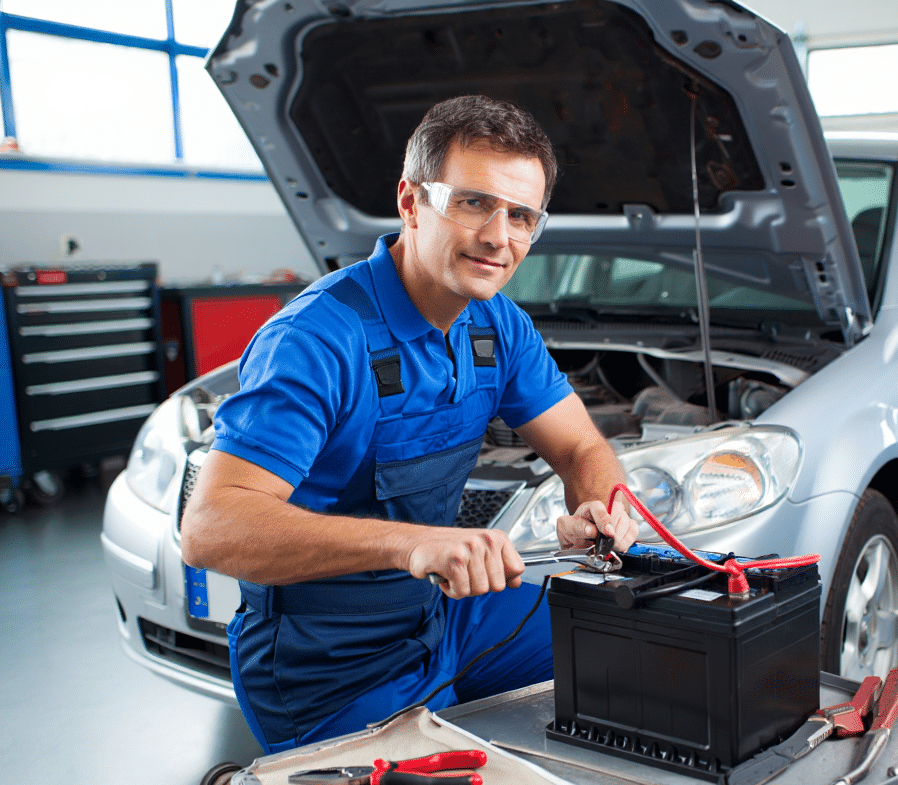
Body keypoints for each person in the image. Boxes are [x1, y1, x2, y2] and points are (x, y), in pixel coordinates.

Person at [179, 95, 638, 753]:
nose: (498, 237)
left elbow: (580, 444)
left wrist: (600, 504)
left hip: (444, 618)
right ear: (410, 201)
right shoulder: (317, 339)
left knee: (627, 643)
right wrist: (407, 544)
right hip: (328, 662)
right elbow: (210, 526)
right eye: (472, 202)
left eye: (520, 215)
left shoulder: (497, 325)